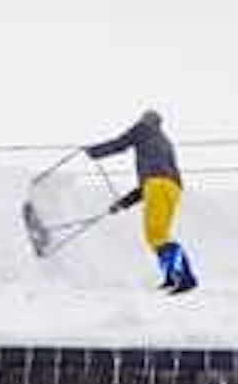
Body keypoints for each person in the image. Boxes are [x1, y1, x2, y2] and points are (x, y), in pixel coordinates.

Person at [85, 109, 198, 293]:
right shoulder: (164, 144)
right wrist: (122, 203)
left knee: (156, 235)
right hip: (172, 189)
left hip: (158, 186)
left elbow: (120, 143)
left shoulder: (144, 129)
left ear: (147, 120)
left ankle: (184, 278)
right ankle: (172, 276)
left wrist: (94, 152)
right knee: (160, 234)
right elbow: (146, 188)